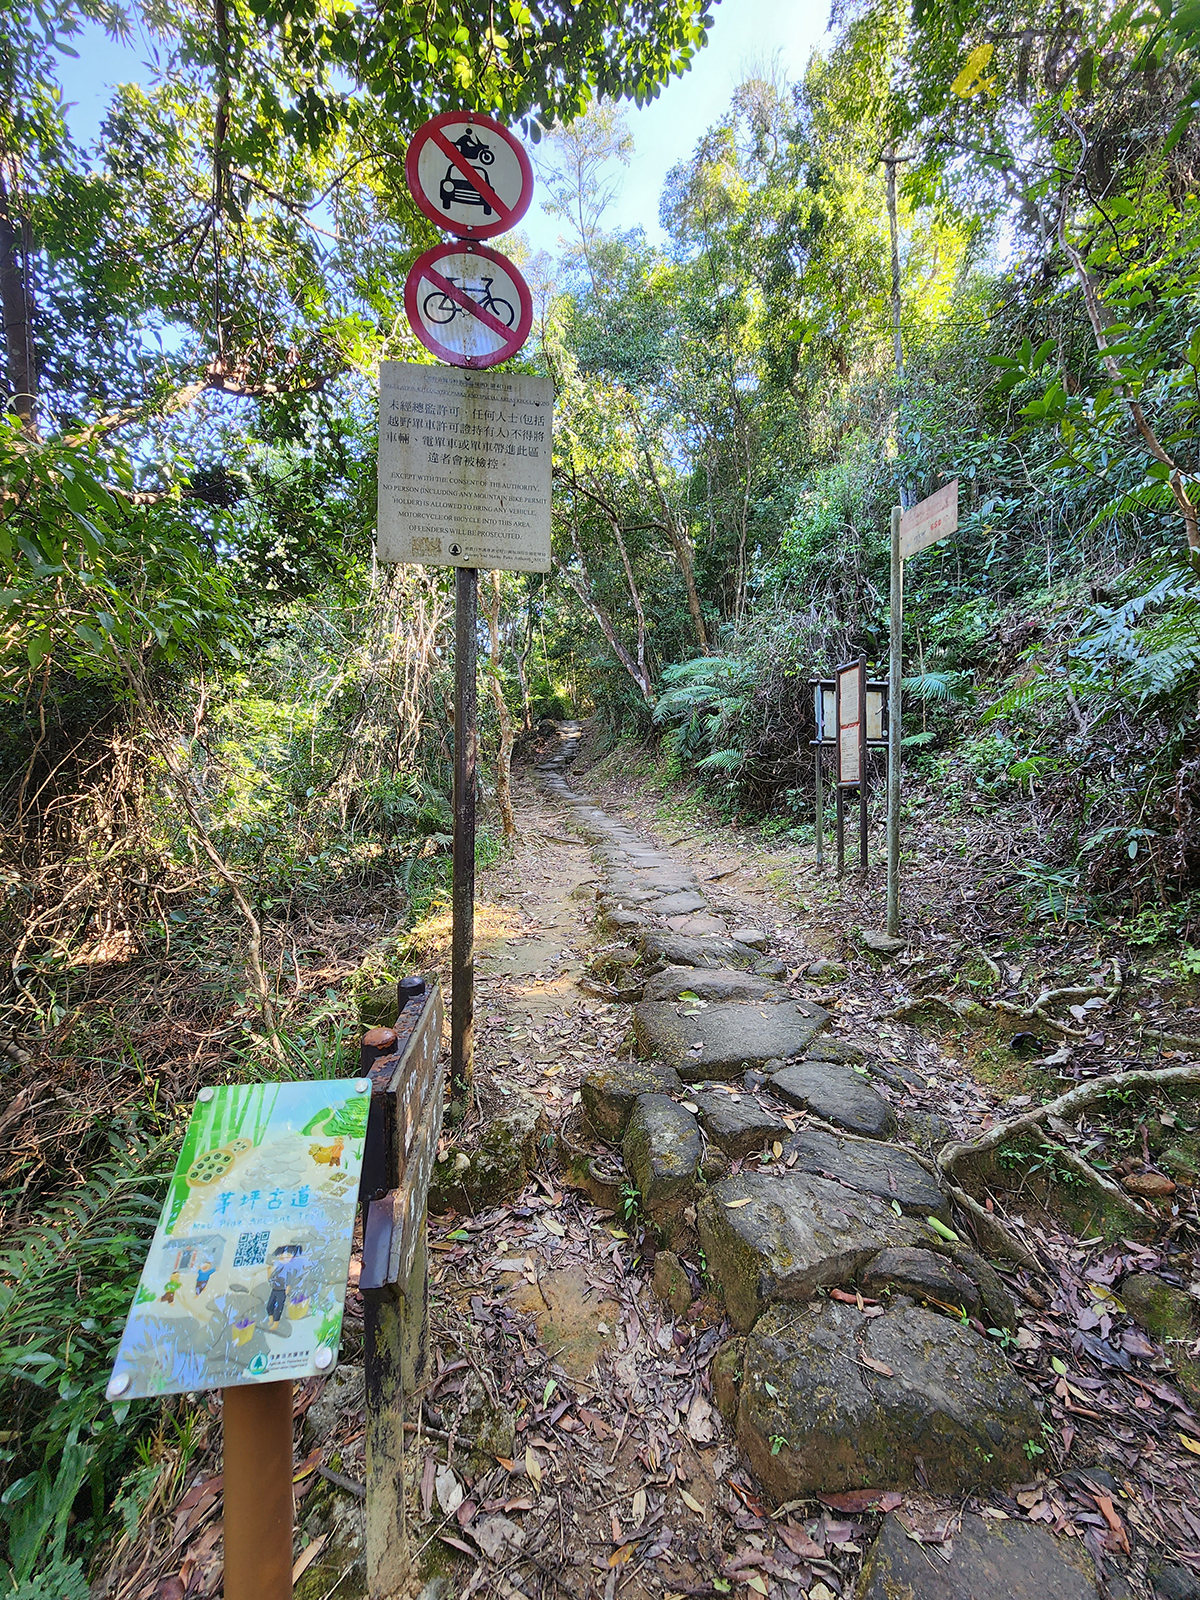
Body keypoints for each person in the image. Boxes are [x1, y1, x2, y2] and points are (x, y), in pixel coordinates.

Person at [265, 1243, 304, 1330]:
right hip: (274, 1288)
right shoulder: (279, 1266)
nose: (284, 1257)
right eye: (282, 1255)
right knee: (269, 1306)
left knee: (278, 1306)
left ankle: (275, 1323)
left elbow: (290, 1278)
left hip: (282, 1290)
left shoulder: (290, 1267)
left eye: (288, 1255)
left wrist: (288, 1288)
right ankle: (271, 1319)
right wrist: (269, 1273)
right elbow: (272, 1276)